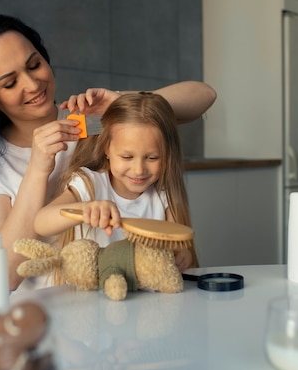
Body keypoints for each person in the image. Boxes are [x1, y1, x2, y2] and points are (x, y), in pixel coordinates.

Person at [0, 15, 216, 291]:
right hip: (47, 316)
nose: (32, 85)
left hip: (125, 297)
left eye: (34, 65)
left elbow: (203, 95)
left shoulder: (91, 120)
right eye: (10, 83)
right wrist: (38, 167)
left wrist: (123, 104)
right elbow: (1, 278)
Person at [34, 92, 196, 287]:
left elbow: (178, 243)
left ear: (168, 155)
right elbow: (41, 222)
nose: (138, 170)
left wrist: (183, 255)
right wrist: (84, 209)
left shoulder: (162, 194)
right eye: (127, 157)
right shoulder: (89, 184)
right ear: (107, 149)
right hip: (91, 302)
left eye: (152, 158)